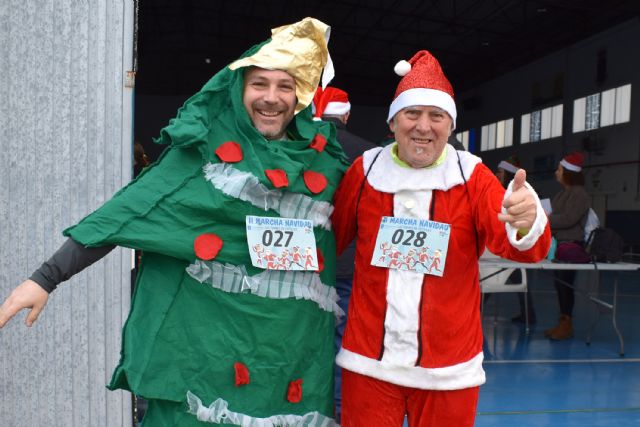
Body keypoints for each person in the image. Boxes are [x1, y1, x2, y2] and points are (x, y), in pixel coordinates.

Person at [0, 17, 349, 426]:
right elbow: (129, 211)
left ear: (300, 96)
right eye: (260, 84)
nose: (271, 98)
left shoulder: (325, 163)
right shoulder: (201, 155)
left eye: (284, 86)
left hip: (292, 358)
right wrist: (45, 278)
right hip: (210, 351)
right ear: (239, 89)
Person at [330, 50, 551, 427]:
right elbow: (328, 237)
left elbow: (519, 247)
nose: (423, 126)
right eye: (411, 114)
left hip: (448, 370)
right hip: (369, 362)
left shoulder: (473, 176)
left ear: (451, 126)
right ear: (393, 122)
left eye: (437, 116)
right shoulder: (365, 171)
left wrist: (526, 219)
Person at [313, 85, 377, 422]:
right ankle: (338, 407)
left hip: (307, 261)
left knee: (305, 333)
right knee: (344, 338)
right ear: (347, 115)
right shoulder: (370, 155)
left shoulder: (303, 147)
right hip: (351, 262)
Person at [545, 152, 591, 341]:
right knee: (560, 284)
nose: (556, 172)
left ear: (568, 173)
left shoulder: (579, 194)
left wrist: (546, 219)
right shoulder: (562, 194)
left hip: (571, 246)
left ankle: (567, 324)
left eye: (559, 169)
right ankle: (564, 321)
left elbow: (569, 219)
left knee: (565, 285)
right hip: (560, 245)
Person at [494, 155, 537, 324]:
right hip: (500, 247)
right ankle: (528, 314)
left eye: (500, 172)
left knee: (498, 278)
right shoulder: (498, 190)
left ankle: (529, 315)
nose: (496, 174)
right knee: (495, 277)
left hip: (511, 245)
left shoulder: (514, 195)